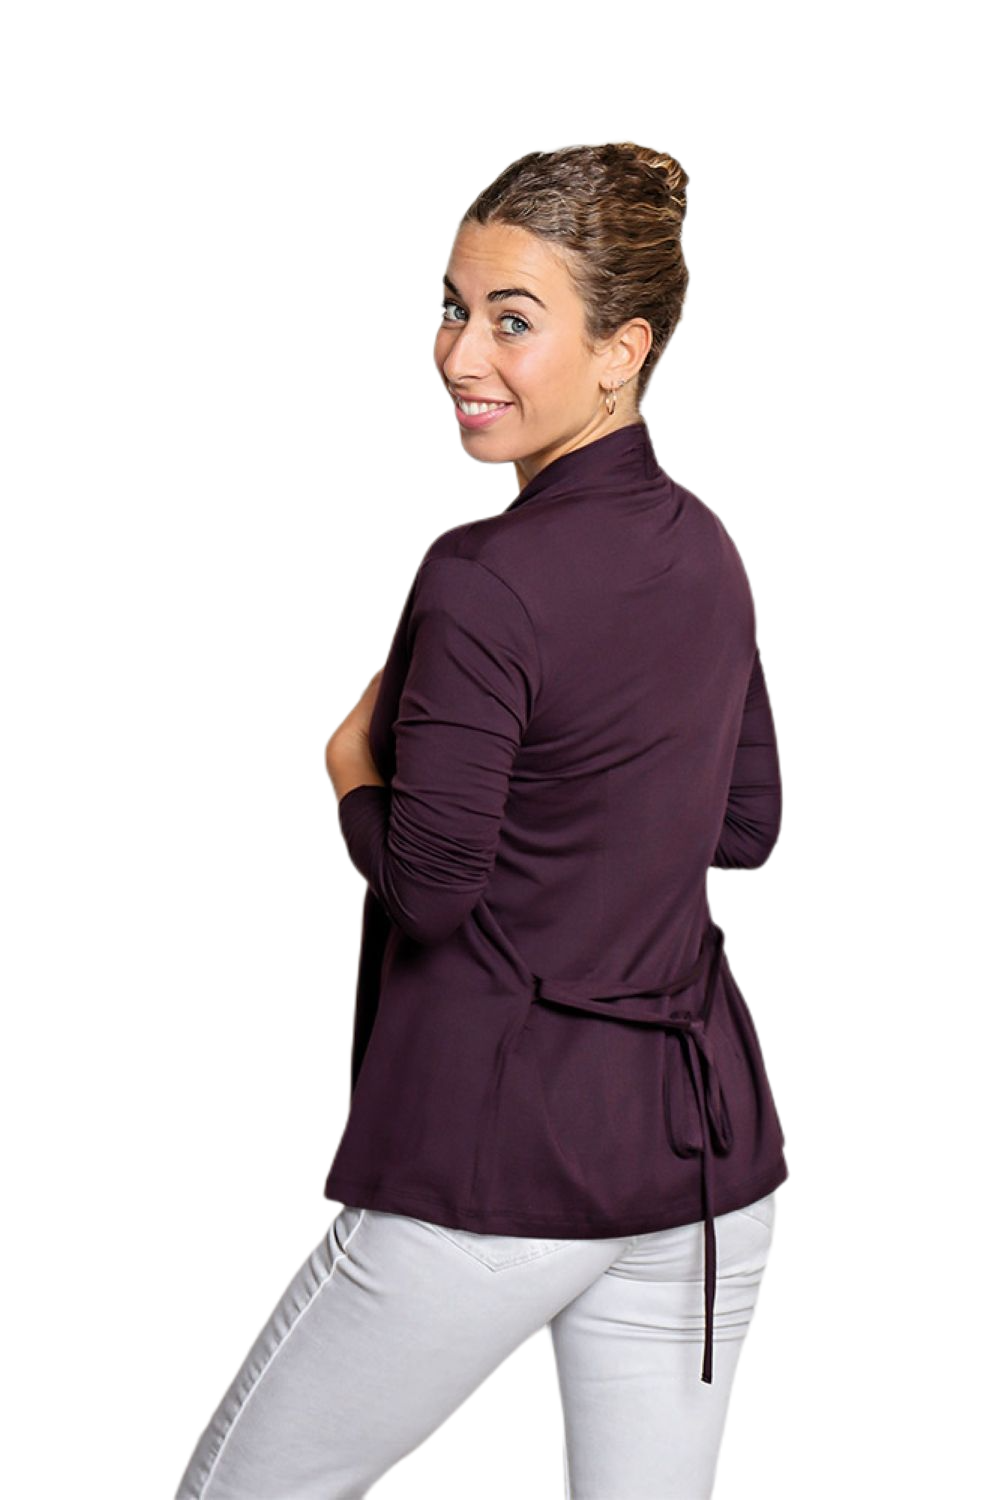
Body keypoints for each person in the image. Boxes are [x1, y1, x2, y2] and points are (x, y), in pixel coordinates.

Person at [173, 141, 789, 1500]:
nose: (461, 355)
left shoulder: (483, 581)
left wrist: (352, 771)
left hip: (502, 1164)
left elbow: (436, 891)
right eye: (453, 308)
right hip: (699, 1166)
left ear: (623, 350)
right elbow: (744, 819)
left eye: (514, 321)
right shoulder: (707, 549)